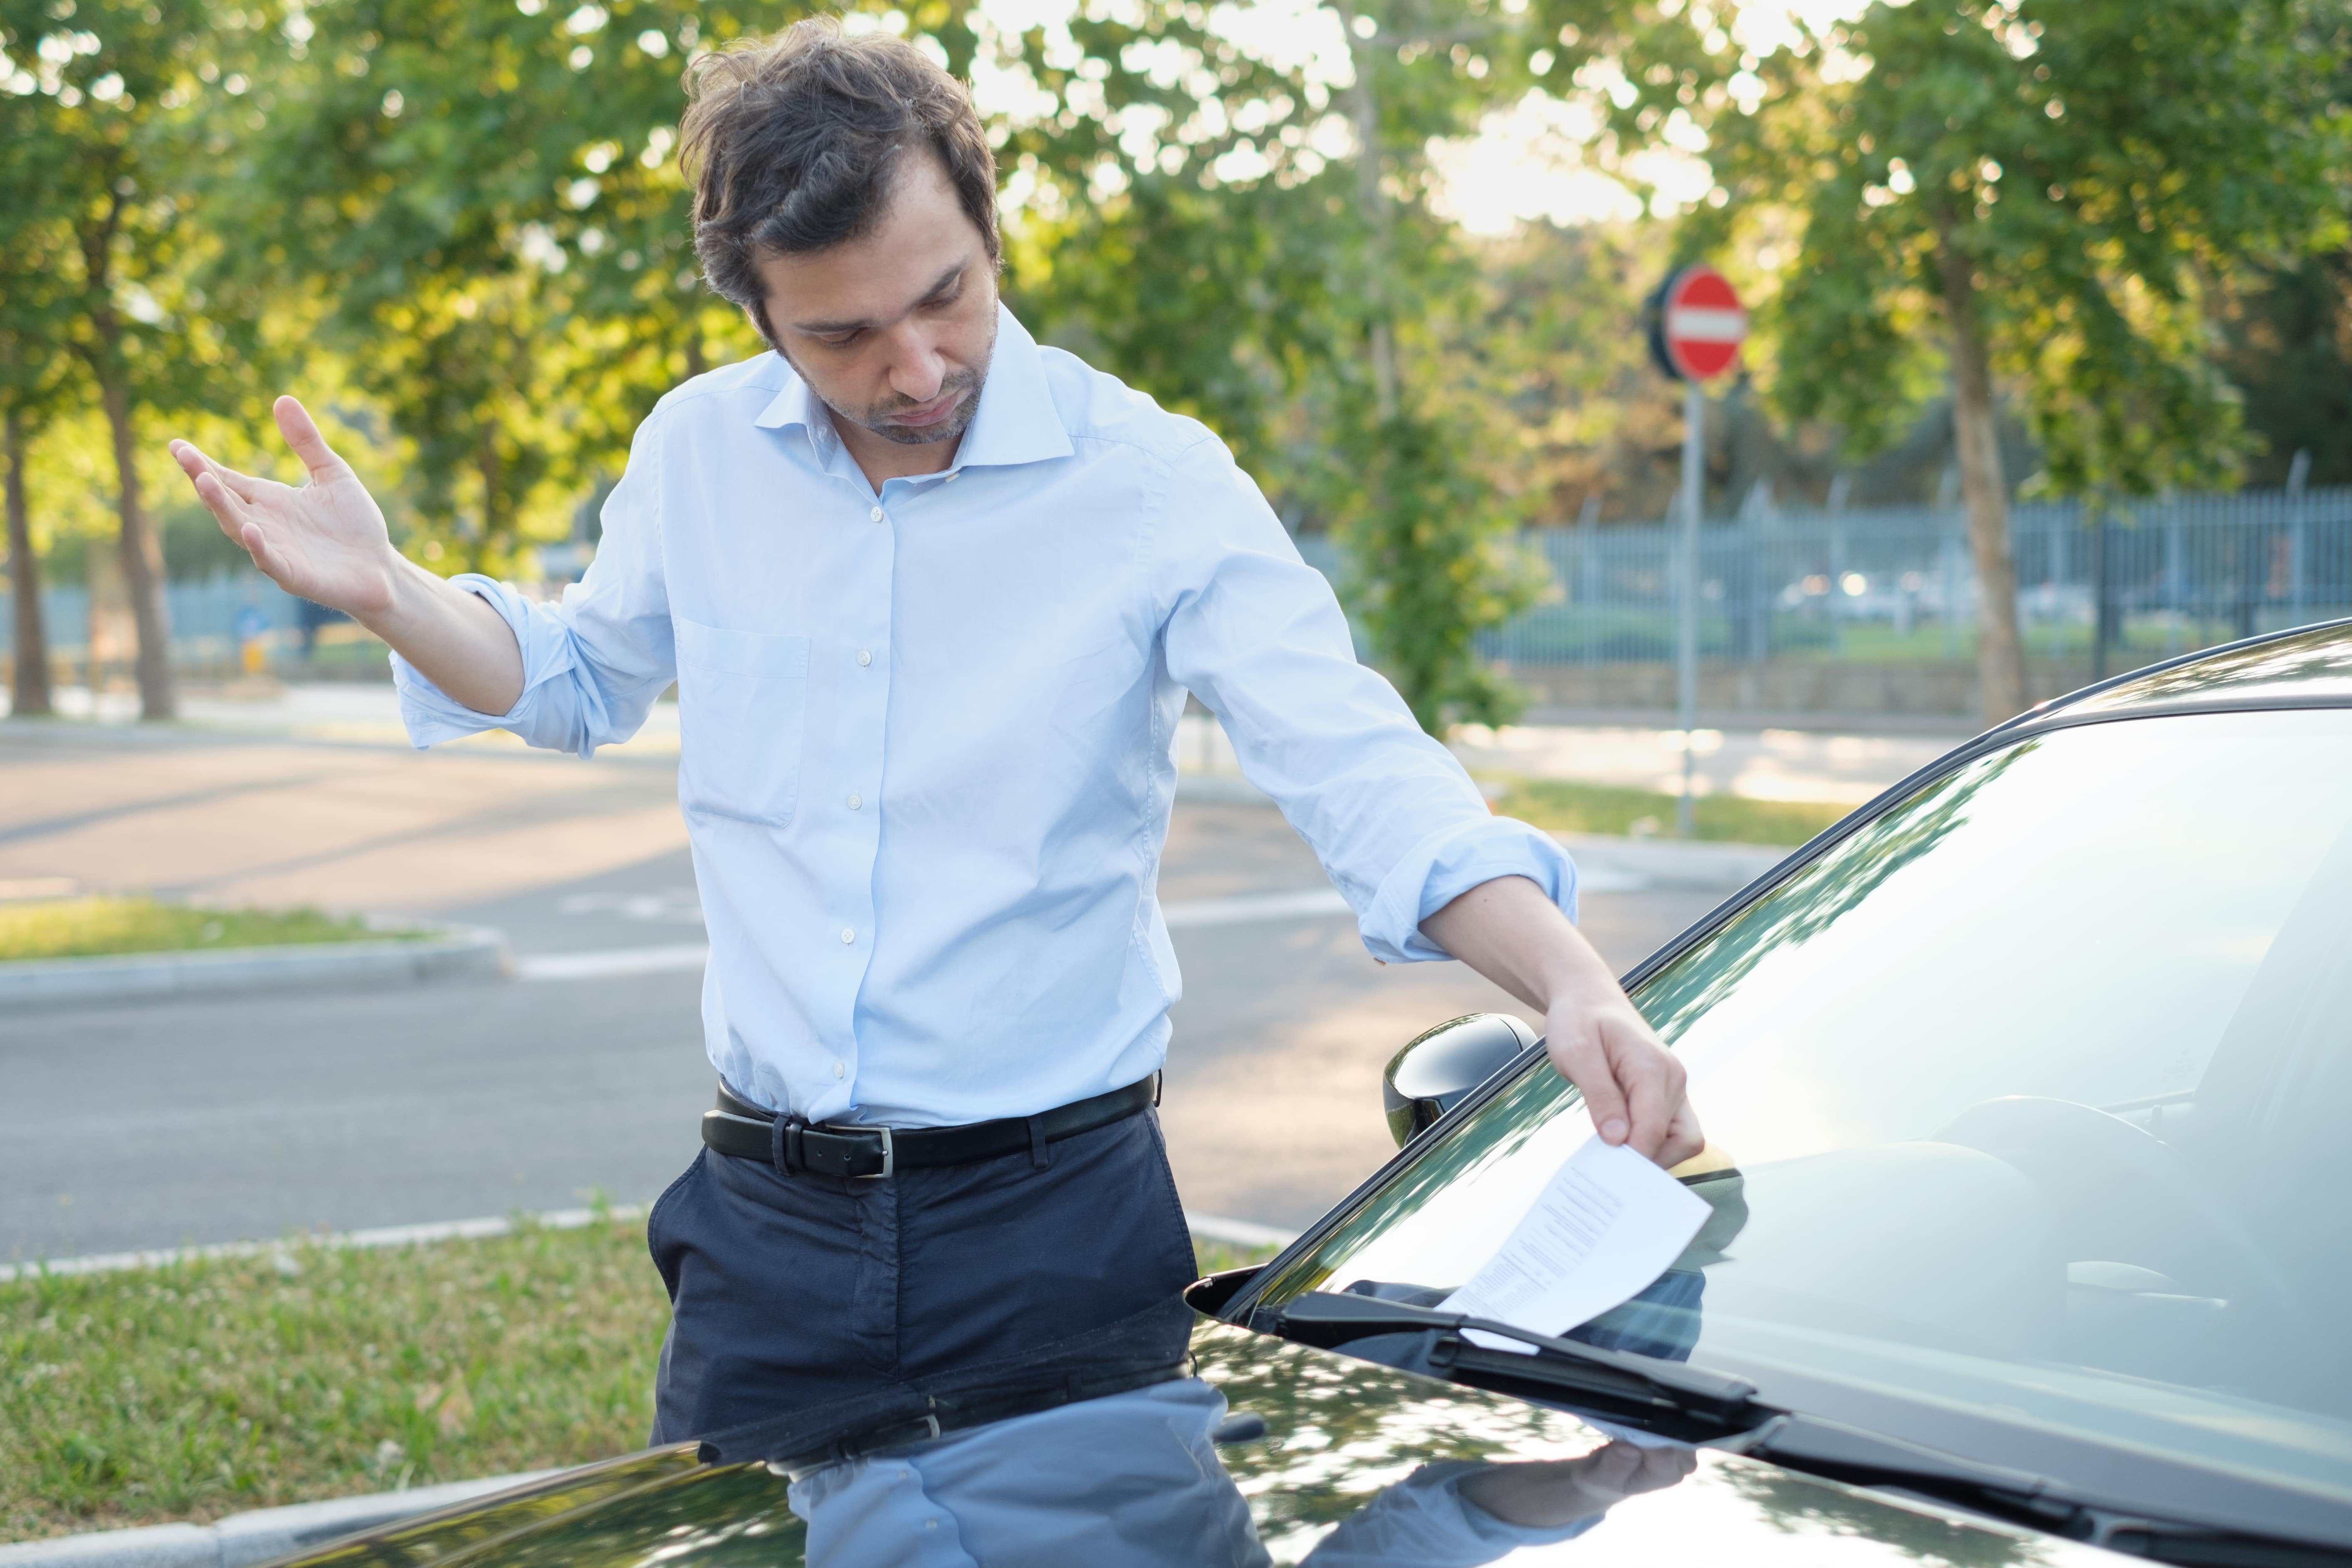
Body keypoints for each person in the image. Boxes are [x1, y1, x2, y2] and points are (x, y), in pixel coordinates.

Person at [166, 20, 1703, 1444]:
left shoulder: (1150, 479)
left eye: (946, 295)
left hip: (1060, 1237)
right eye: (842, 337)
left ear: (986, 226)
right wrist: (388, 592)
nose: (914, 370)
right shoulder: (699, 452)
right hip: (766, 1241)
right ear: (759, 312)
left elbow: (1359, 770)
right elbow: (576, 676)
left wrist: (1570, 982)